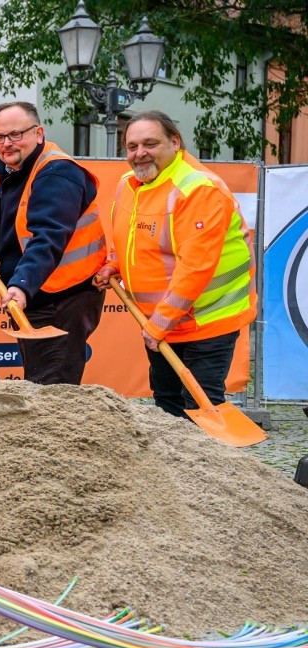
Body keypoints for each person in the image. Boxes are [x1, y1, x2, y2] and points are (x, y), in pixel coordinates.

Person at [93, 110, 256, 418]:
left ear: (175, 142)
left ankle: (207, 464)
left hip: (207, 319)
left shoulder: (199, 190)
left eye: (150, 144)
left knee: (201, 405)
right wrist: (114, 264)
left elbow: (195, 267)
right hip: (162, 322)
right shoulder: (130, 182)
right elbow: (126, 237)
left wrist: (159, 323)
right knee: (167, 401)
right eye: (132, 146)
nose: (140, 153)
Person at [0, 101, 107, 384]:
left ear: (39, 133)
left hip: (62, 295)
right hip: (33, 292)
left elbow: (48, 237)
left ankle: (60, 428)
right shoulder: (5, 170)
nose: (7, 143)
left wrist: (21, 285)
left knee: (52, 387)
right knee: (38, 377)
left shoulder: (57, 173)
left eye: (16, 135)